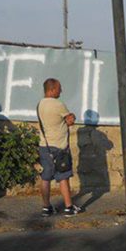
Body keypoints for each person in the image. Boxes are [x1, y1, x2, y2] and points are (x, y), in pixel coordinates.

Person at [37, 78, 81, 217]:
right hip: (59, 146)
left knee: (45, 178)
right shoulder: (58, 104)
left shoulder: (40, 104)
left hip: (45, 146)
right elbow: (70, 120)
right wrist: (72, 116)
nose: (61, 91)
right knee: (63, 176)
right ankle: (68, 207)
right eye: (59, 88)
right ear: (51, 89)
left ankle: (46, 207)